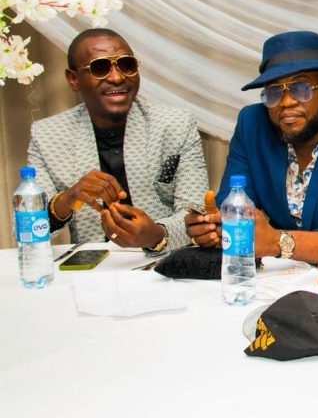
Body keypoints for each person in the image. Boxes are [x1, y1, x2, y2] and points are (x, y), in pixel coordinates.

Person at [185, 31, 318, 263]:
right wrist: (214, 228)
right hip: (283, 274)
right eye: (274, 91)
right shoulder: (252, 125)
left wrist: (279, 242)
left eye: (301, 88)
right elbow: (236, 208)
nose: (286, 102)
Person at [27, 28, 209, 254]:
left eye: (126, 65)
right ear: (74, 79)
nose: (117, 77)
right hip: (92, 266)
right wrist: (68, 198)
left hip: (165, 261)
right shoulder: (47, 135)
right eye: (100, 68)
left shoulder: (175, 124)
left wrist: (156, 234)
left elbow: (197, 213)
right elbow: (27, 228)